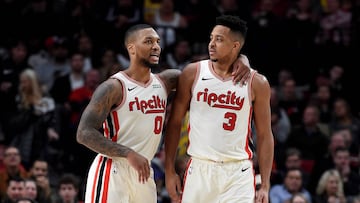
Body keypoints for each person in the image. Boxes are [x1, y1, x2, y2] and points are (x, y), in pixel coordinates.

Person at [76, 23, 252, 203]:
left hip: (144, 172)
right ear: (132, 48)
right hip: (112, 169)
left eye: (158, 42)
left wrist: (241, 58)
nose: (156, 47)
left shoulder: (167, 81)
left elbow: (204, 73)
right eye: (148, 41)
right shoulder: (113, 87)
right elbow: (84, 133)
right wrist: (128, 153)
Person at [164, 15, 274, 203]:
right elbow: (174, 123)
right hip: (199, 167)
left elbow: (265, 135)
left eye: (219, 39)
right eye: (211, 38)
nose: (211, 44)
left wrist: (265, 184)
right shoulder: (192, 73)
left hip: (237, 172)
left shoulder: (257, 83)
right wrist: (169, 171)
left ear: (236, 46)